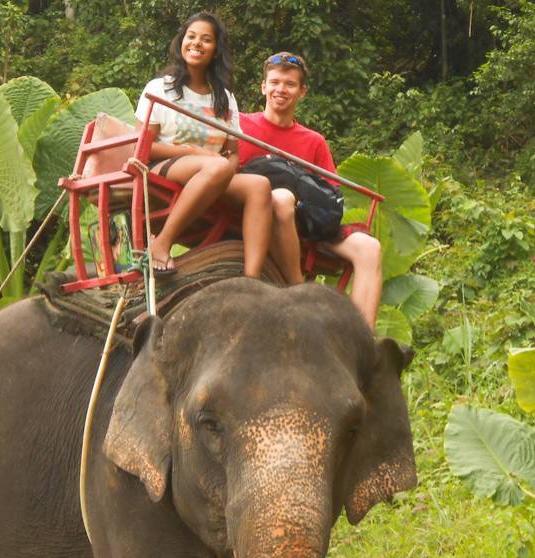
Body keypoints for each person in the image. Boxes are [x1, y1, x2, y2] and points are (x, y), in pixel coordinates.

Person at [238, 51, 383, 328]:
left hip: (307, 223)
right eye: (275, 82)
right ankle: (298, 289)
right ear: (263, 86)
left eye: (290, 84)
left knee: (370, 248)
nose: (281, 90)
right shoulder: (242, 125)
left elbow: (330, 192)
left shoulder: (314, 141)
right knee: (281, 198)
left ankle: (363, 338)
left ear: (302, 92)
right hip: (260, 214)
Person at [135, 12, 271, 277]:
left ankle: (251, 279)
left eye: (206, 39)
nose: (196, 43)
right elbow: (143, 146)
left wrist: (223, 168)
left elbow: (232, 153)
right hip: (166, 165)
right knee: (217, 167)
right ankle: (162, 242)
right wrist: (195, 153)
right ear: (181, 42)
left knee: (260, 185)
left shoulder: (225, 98)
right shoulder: (160, 88)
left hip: (213, 172)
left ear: (216, 49)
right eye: (191, 36)